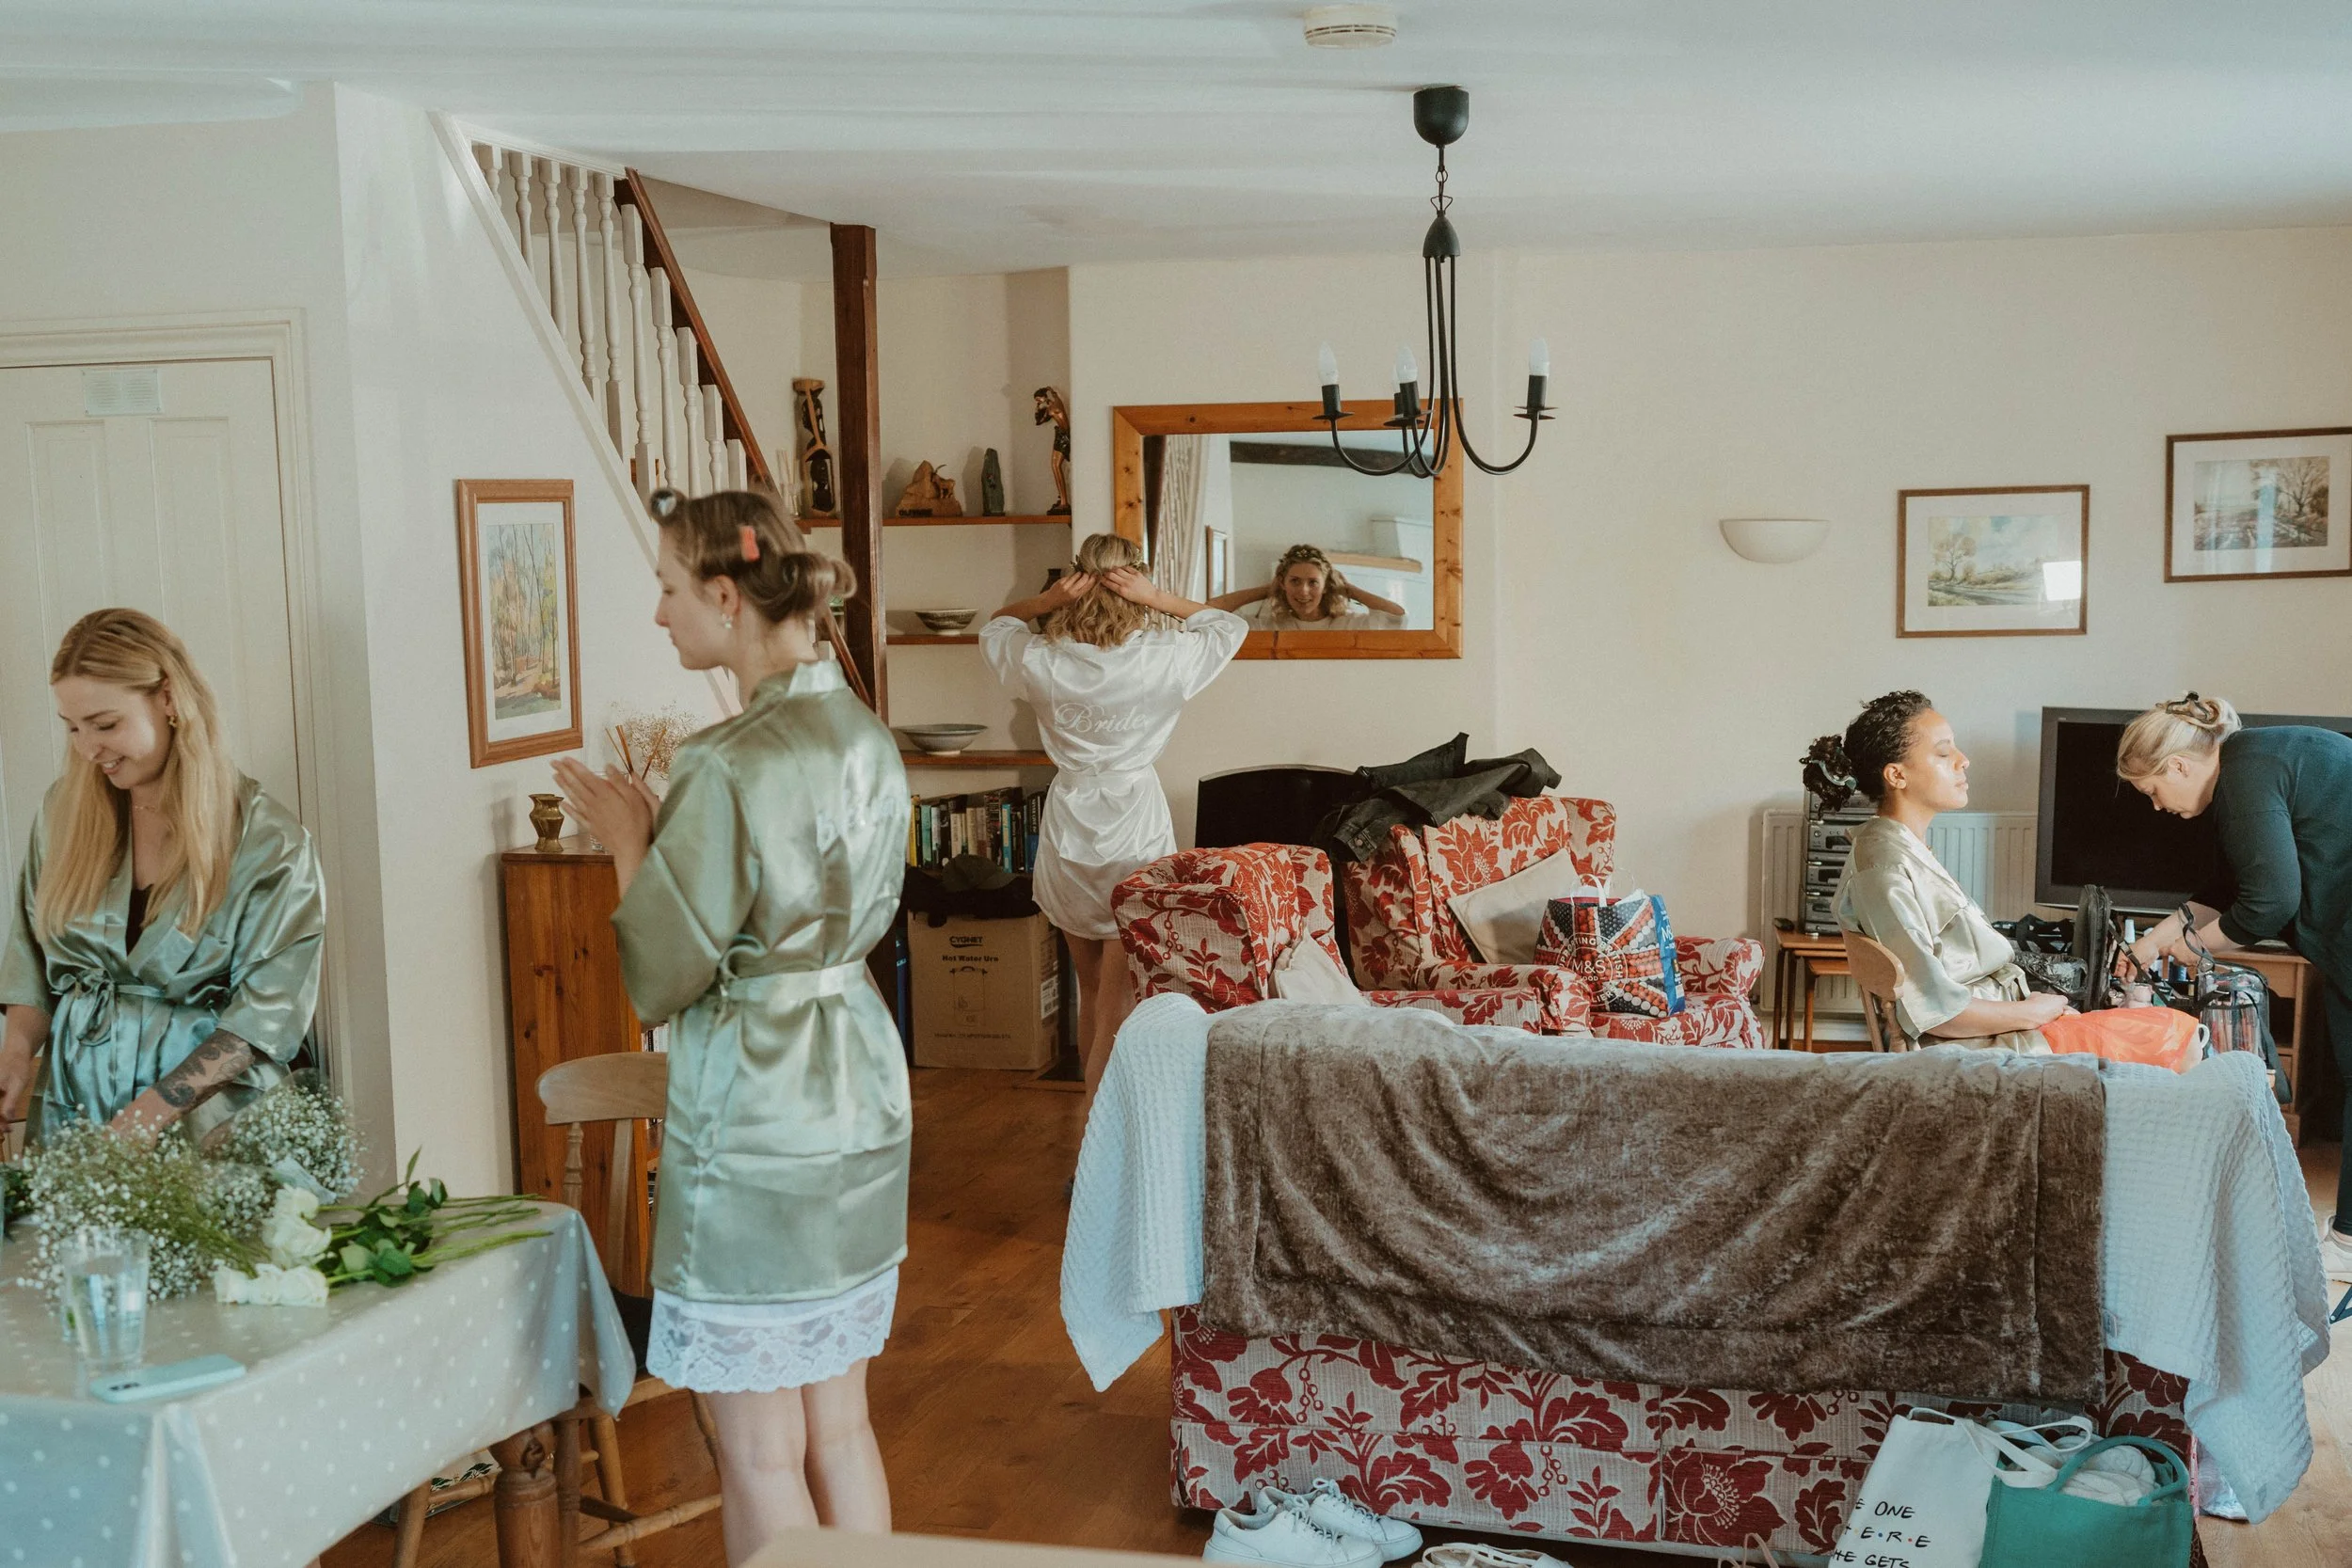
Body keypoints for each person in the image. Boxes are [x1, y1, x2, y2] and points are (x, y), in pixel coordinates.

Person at [556, 489, 909, 1560]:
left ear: (723, 593)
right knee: (840, 1423)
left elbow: (662, 974)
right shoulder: (866, 731)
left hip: (758, 1109)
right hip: (857, 1081)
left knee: (755, 1449)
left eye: (667, 588)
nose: (660, 614)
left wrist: (630, 835)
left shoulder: (721, 762)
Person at [0, 610, 325, 1148]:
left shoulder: (269, 843)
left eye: (105, 725)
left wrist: (146, 1117)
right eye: (73, 727)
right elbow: (31, 958)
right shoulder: (62, 815)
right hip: (77, 1103)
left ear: (169, 700)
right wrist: (15, 1055)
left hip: (213, 1119)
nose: (87, 749)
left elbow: (265, 1016)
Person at [981, 534, 1247, 1093]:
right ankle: (1104, 1133)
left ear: (1074, 582)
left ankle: (1088, 1126)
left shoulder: (1042, 659)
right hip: (1134, 821)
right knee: (1120, 998)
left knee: (1089, 987)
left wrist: (1046, 602)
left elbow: (997, 626)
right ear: (1136, 583)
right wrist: (1161, 598)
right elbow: (1228, 627)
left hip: (1071, 821)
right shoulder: (1166, 658)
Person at [2115, 694, 2352, 1284]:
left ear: (2179, 767)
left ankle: (2348, 1242)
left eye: (2151, 791)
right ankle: (2349, 1237)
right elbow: (2224, 889)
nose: (2157, 806)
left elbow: (2270, 901)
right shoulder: (2248, 766)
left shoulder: (2247, 773)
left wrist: (2192, 951)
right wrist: (2149, 944)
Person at [1813, 690, 2071, 1051]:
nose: (1964, 761)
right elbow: (1939, 1012)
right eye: (1944, 753)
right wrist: (2031, 1013)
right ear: (1897, 775)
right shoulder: (1883, 869)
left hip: (2003, 1021)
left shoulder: (1901, 847)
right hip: (1985, 1046)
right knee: (2164, 1038)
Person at [1210, 542, 1407, 630]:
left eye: (1313, 582)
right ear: (1283, 583)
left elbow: (1397, 618)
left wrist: (1348, 589)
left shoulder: (1349, 624)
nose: (1303, 591)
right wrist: (1268, 590)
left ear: (1326, 586)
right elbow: (1210, 611)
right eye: (1295, 581)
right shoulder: (1269, 626)